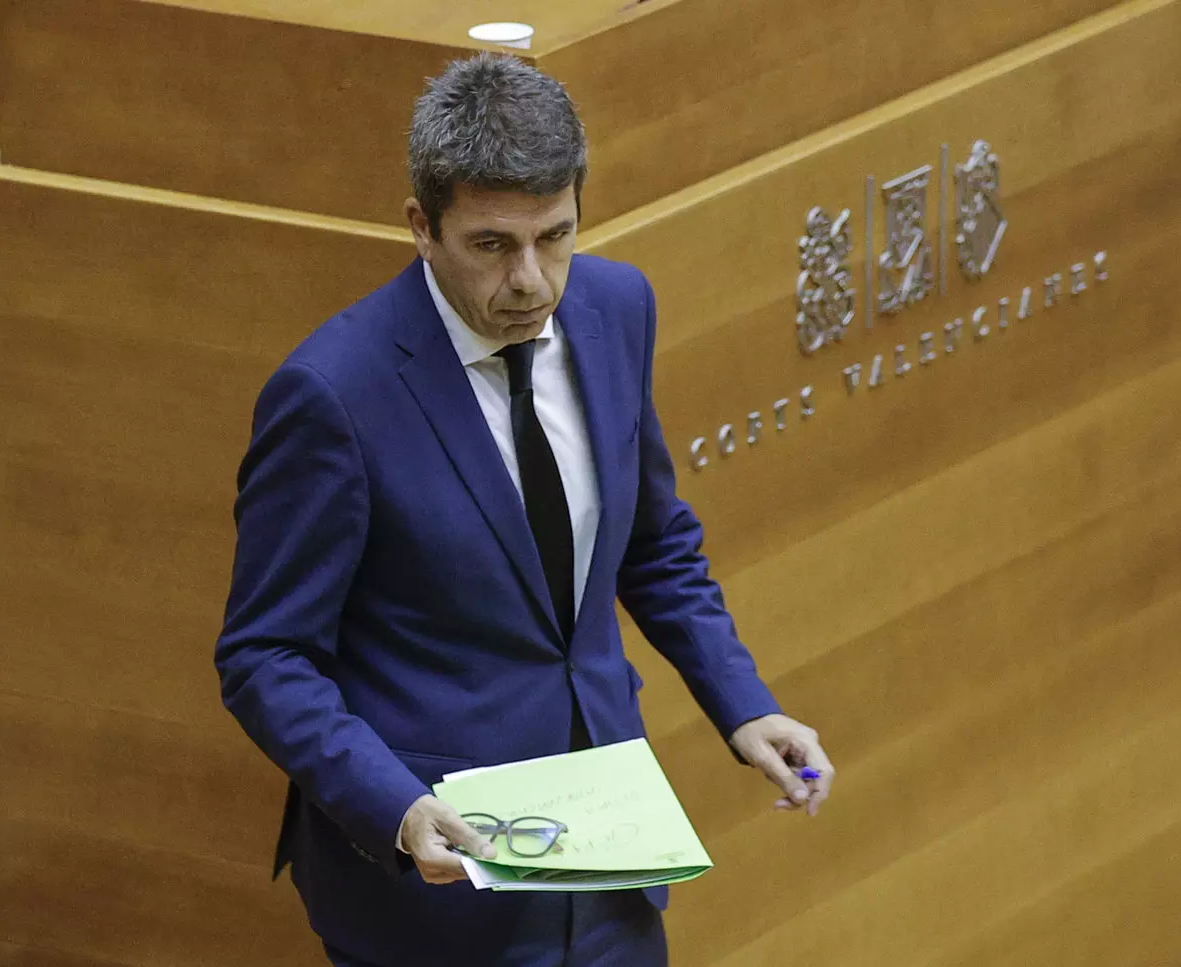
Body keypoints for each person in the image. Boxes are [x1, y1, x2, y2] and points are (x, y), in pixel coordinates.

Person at [214, 53, 834, 967]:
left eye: (556, 236)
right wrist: (393, 803)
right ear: (422, 227)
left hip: (607, 856)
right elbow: (265, 655)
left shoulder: (618, 308)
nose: (533, 282)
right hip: (438, 889)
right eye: (493, 246)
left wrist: (740, 703)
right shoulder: (332, 396)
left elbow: (653, 545)